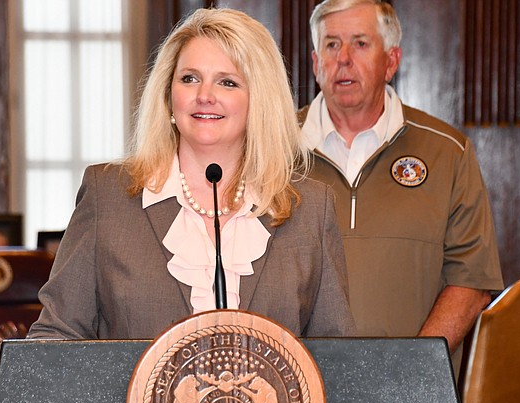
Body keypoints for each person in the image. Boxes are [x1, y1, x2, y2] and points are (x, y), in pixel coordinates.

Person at [27, 7, 355, 340]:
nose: (204, 96)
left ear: (260, 101)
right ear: (169, 96)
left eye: (227, 82)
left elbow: (338, 359)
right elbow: (55, 338)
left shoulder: (311, 208)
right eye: (190, 78)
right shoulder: (107, 196)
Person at [300, 0, 503, 376]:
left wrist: (411, 372)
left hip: (412, 393)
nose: (343, 58)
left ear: (391, 61)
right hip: (294, 393)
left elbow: (471, 284)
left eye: (360, 43)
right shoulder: (270, 151)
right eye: (331, 45)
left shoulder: (447, 153)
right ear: (315, 64)